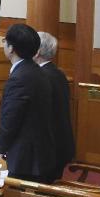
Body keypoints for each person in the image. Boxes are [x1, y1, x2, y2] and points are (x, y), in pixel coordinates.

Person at [0, 24, 56, 183]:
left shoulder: (20, 78)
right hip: (38, 152)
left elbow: (11, 118)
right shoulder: (36, 71)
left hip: (26, 159)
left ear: (11, 48)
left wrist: (0, 148)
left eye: (5, 41)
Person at [36, 32, 75, 180]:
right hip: (60, 144)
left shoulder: (41, 78)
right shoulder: (58, 74)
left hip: (49, 149)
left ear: (37, 52)